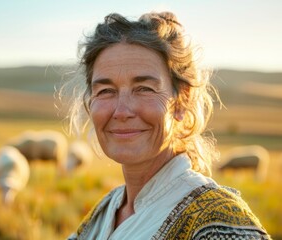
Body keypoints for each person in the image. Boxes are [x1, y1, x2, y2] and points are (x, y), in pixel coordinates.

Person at [59, 11, 271, 239]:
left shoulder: (220, 224)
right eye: (105, 91)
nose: (121, 111)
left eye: (144, 89)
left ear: (182, 101)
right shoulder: (102, 213)